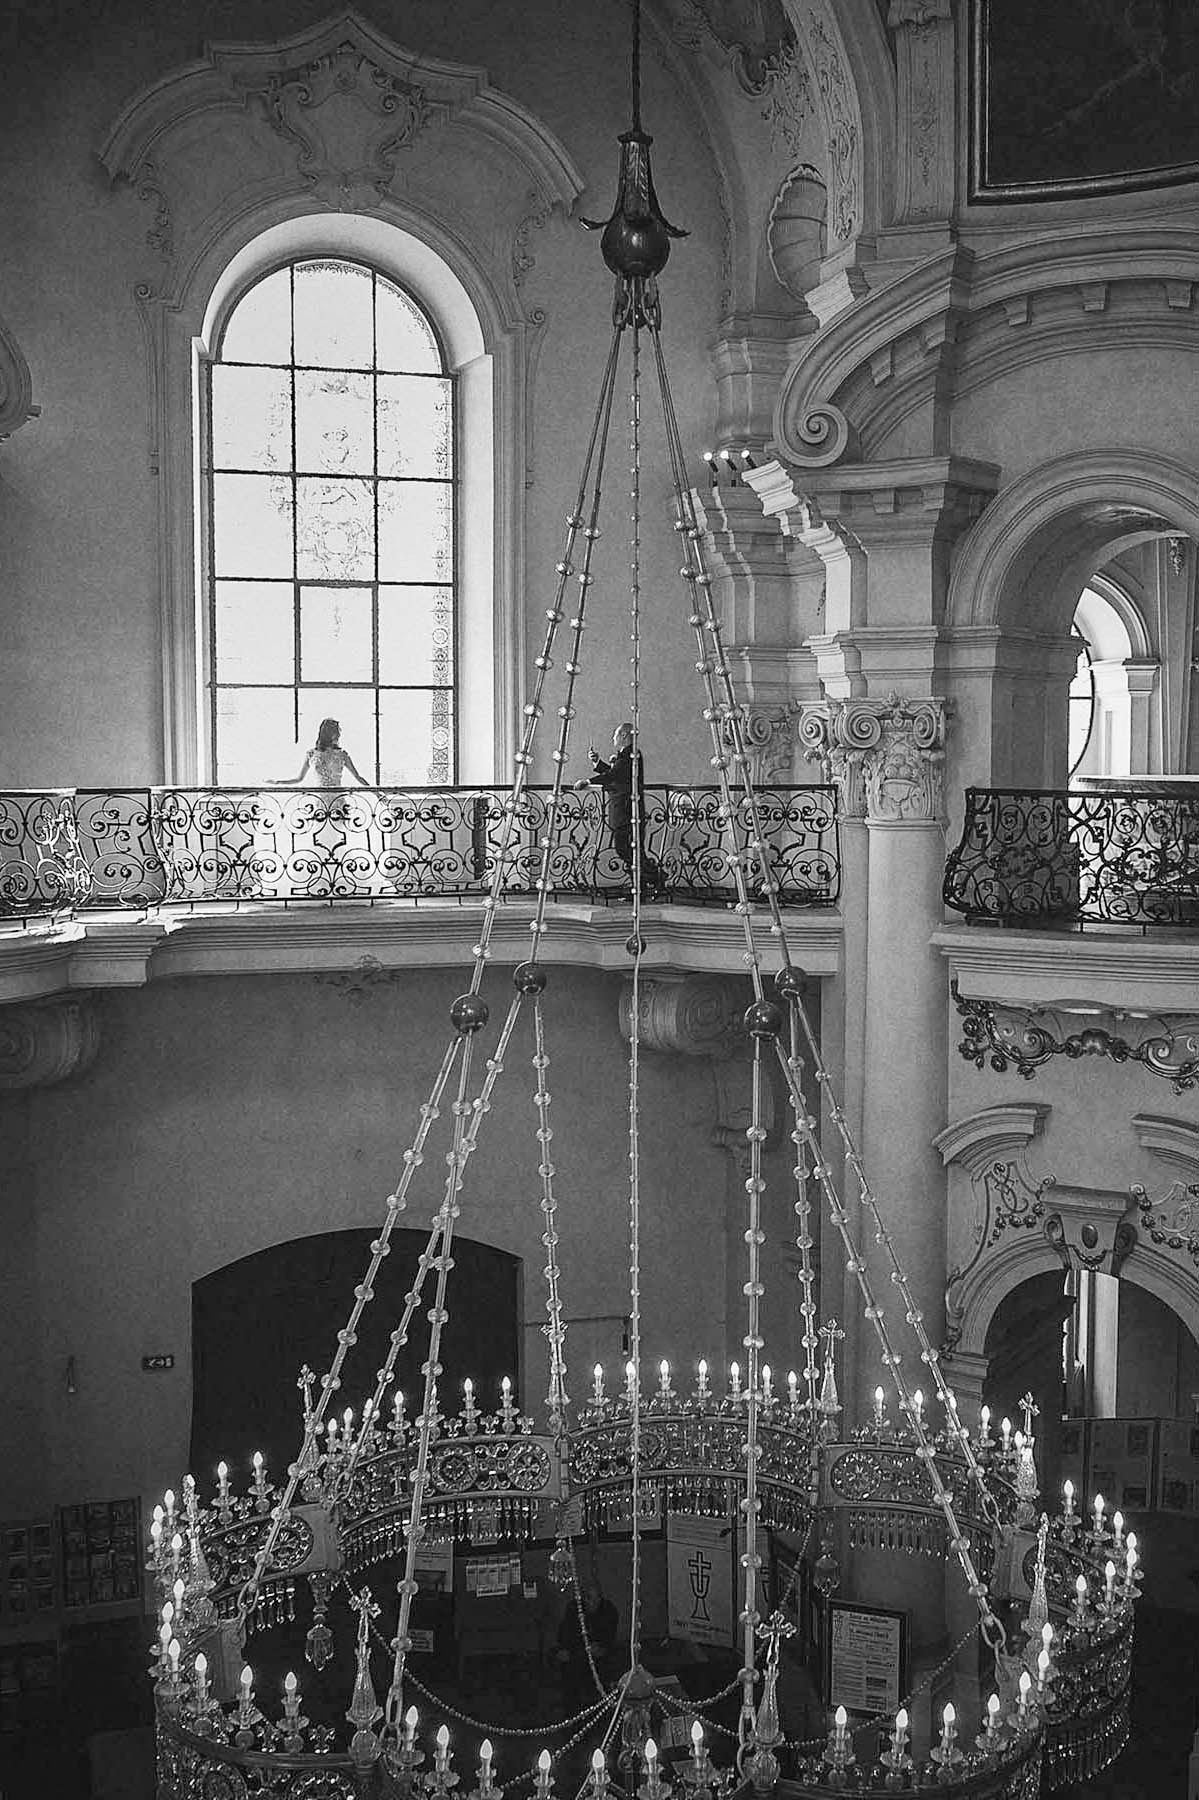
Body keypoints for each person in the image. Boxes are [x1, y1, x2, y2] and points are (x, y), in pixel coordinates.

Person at [575, 723, 661, 895]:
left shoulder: (631, 753)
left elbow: (614, 775)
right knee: (630, 849)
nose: (613, 738)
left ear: (623, 736)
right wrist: (597, 763)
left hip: (627, 811)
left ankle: (655, 878)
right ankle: (641, 886)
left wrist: (588, 781)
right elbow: (616, 772)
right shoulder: (628, 754)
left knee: (627, 849)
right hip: (625, 810)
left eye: (615, 734)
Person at [557, 1575, 619, 1711]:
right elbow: (566, 1636)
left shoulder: (609, 1610)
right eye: (589, 1598)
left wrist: (600, 1648)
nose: (594, 1602)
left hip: (601, 1655)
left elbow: (608, 1639)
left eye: (598, 1597)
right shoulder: (574, 1609)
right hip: (578, 1654)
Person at [274, 718, 369, 788]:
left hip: (338, 800)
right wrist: (277, 782)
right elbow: (299, 779)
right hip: (319, 800)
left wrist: (377, 794)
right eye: (335, 733)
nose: (338, 736)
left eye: (338, 733)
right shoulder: (311, 754)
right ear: (327, 734)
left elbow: (358, 777)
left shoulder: (342, 755)